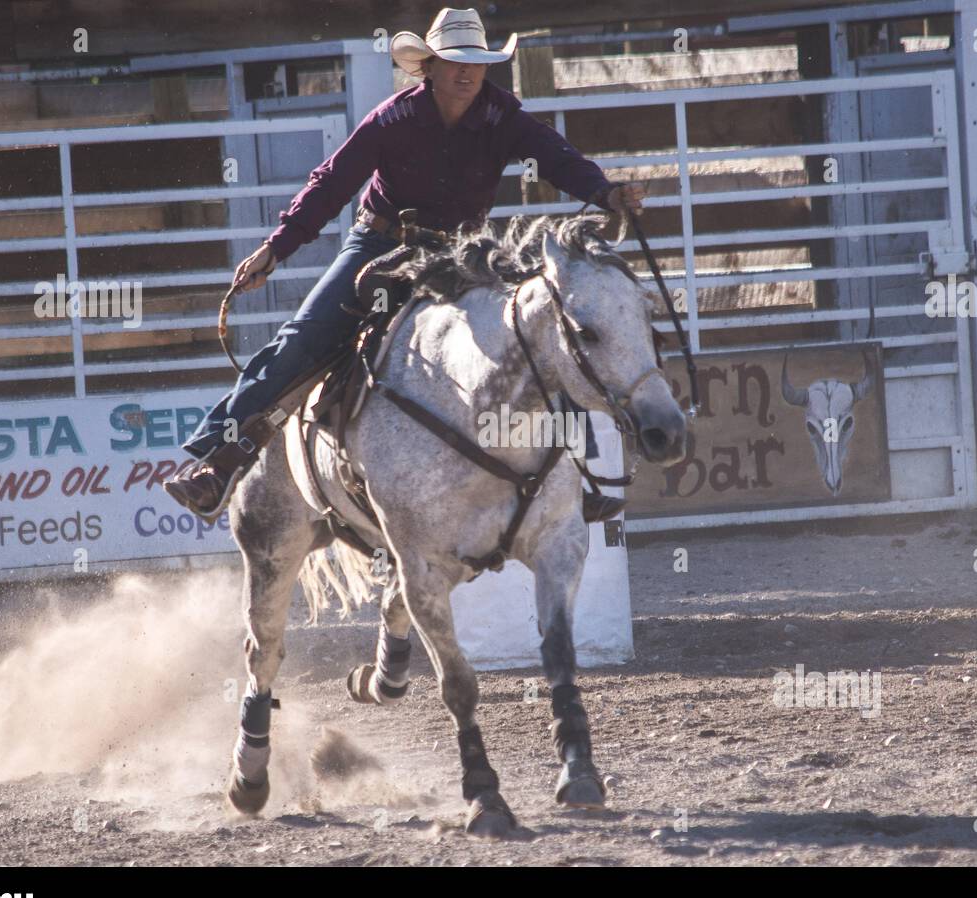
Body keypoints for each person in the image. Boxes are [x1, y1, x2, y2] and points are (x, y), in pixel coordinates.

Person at [163, 6, 644, 520]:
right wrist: (278, 247)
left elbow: (558, 159)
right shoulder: (393, 118)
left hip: (462, 253)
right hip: (380, 246)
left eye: (476, 62)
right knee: (305, 338)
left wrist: (605, 192)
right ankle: (218, 462)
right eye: (454, 61)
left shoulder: (504, 118)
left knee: (535, 330)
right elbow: (332, 183)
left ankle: (572, 476)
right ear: (428, 67)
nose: (467, 72)